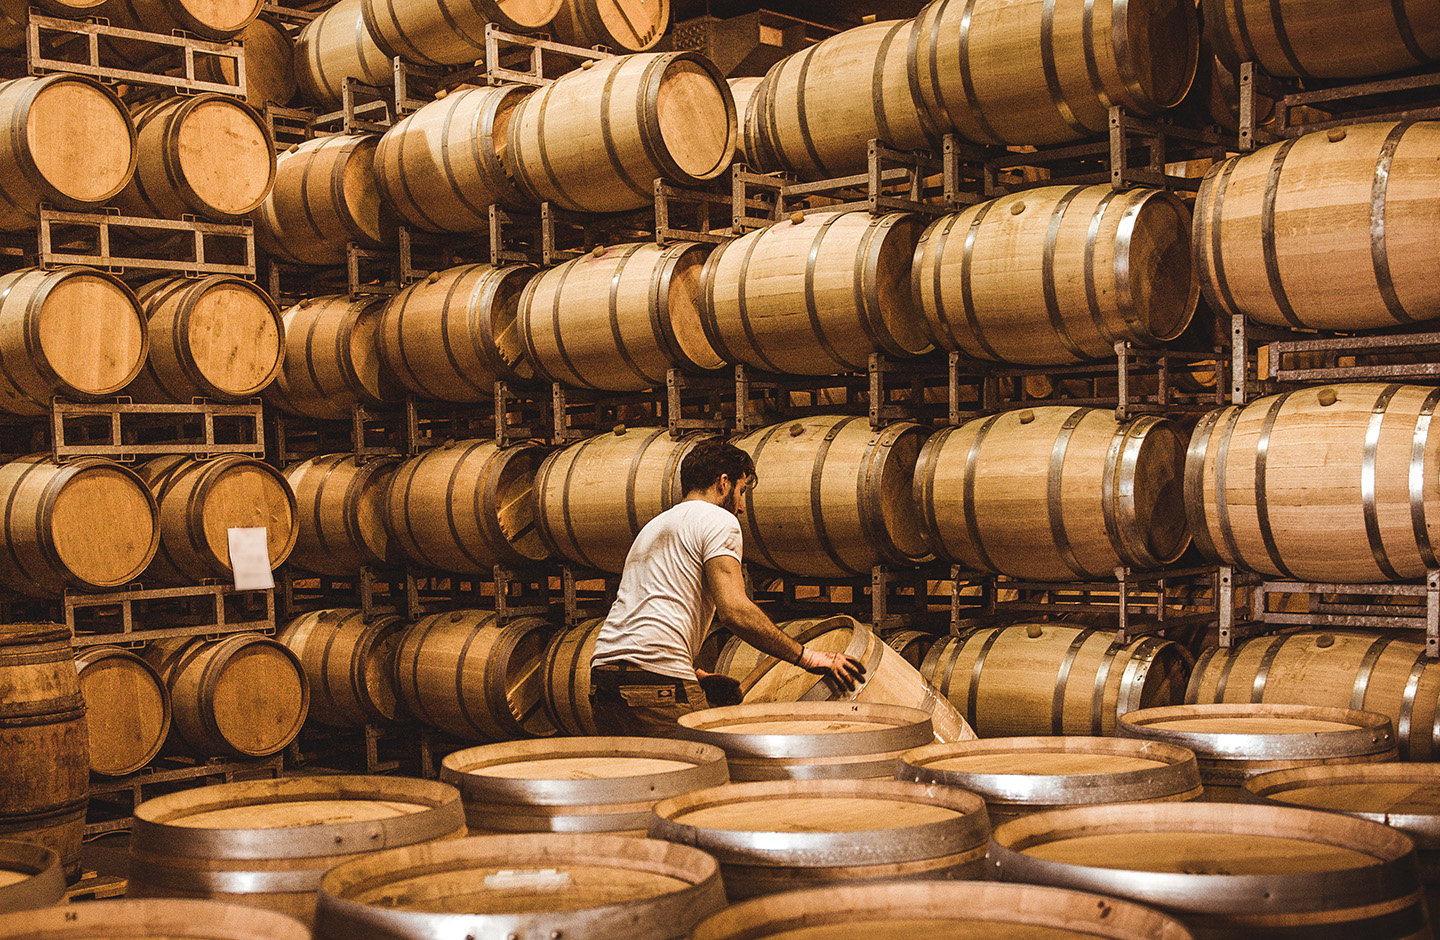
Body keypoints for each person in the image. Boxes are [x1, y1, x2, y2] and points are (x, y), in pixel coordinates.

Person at [589, 440, 866, 736]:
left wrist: (695, 675)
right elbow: (734, 611)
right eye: (742, 491)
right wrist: (807, 657)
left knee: (646, 778)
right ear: (723, 483)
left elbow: (644, 612)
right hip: (659, 685)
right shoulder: (719, 520)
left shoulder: (654, 526)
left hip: (603, 679)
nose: (741, 507)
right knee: (710, 771)